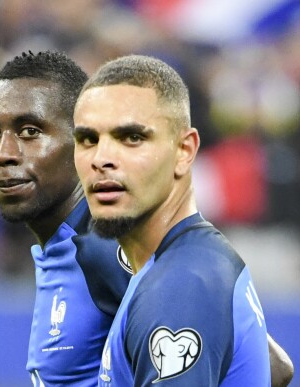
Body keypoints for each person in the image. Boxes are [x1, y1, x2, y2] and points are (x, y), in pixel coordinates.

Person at [0, 51, 293, 386]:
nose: (3, 154)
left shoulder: (105, 249)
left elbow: (268, 364)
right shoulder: (84, 245)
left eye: (30, 131)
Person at [72, 54, 273, 385]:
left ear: (184, 150)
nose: (102, 159)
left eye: (131, 137)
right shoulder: (186, 263)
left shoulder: (180, 288)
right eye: (88, 140)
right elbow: (279, 366)